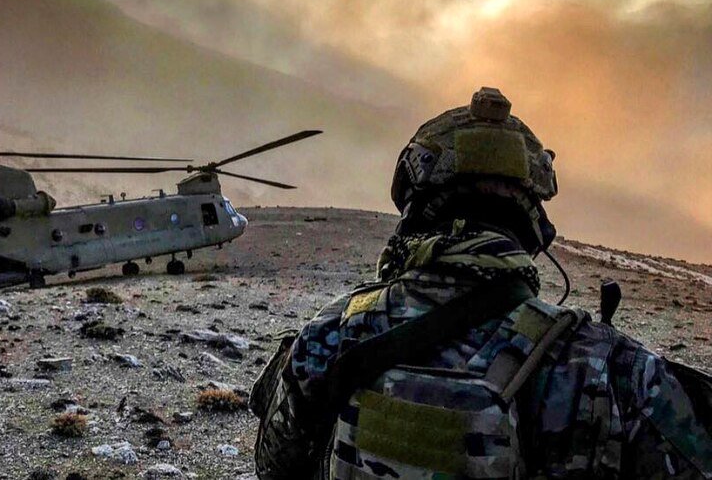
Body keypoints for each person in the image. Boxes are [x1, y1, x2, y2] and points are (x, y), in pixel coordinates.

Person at [250, 87, 712, 479]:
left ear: (414, 210)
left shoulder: (331, 333)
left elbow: (274, 466)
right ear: (535, 227)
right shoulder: (618, 371)